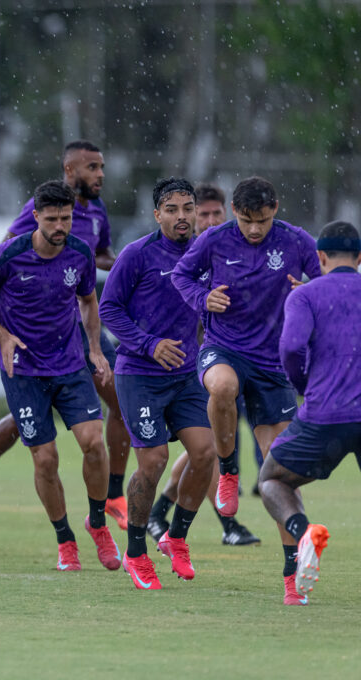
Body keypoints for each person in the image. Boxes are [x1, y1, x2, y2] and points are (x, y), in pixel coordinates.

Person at [0, 140, 131, 530]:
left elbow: (97, 258)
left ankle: (113, 493)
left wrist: (125, 264)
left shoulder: (96, 211)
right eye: (92, 167)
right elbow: (9, 252)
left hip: (77, 328)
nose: (100, 174)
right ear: (70, 171)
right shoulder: (37, 215)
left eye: (102, 166)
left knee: (121, 400)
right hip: (33, 334)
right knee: (28, 424)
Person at [171, 176, 319, 588]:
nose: (255, 229)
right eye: (247, 220)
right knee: (221, 388)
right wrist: (203, 298)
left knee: (282, 471)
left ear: (276, 209)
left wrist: (308, 291)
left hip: (275, 362)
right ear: (235, 211)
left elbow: (330, 279)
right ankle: (231, 472)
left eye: (263, 220)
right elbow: (181, 277)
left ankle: (293, 574)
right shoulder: (215, 240)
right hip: (225, 348)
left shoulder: (295, 240)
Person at [99, 178, 214, 589]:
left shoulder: (207, 254)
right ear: (157, 214)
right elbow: (108, 309)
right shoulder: (137, 255)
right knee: (153, 461)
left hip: (185, 375)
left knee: (205, 453)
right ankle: (135, 553)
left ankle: (176, 537)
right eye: (172, 209)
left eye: (188, 208)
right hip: (140, 376)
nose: (181, 216)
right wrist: (149, 345)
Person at [147, 182, 260, 546]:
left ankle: (159, 511)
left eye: (215, 214)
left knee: (208, 447)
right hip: (192, 365)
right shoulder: (190, 257)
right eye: (204, 214)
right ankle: (227, 524)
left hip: (234, 361)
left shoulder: (231, 253)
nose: (209, 220)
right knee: (208, 446)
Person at [258, 221, 361, 605]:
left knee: (272, 479)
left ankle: (303, 532)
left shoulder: (305, 295)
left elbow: (290, 348)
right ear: (360, 258)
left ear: (319, 257)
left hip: (325, 416)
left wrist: (303, 386)